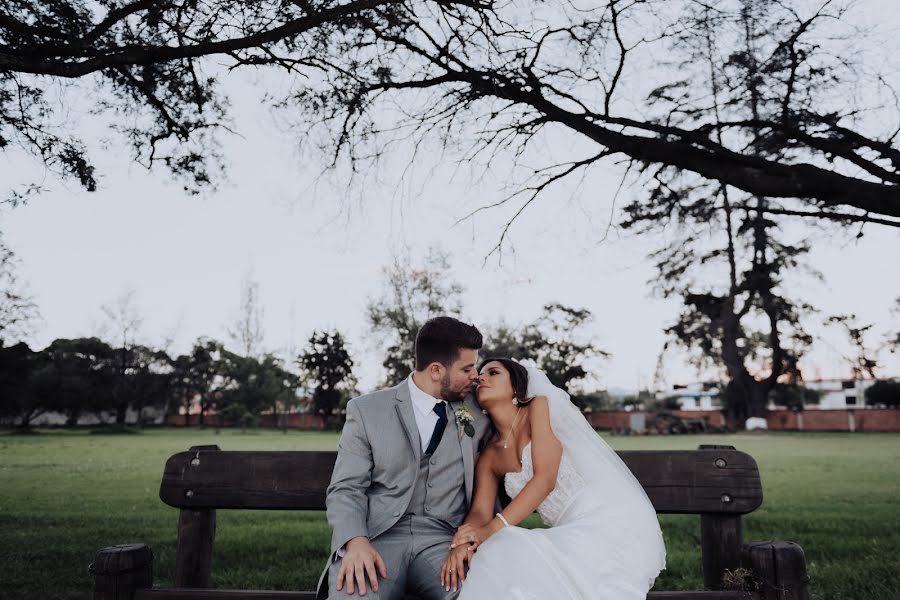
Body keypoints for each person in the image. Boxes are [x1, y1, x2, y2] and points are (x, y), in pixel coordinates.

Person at [440, 358, 666, 599]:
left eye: (493, 372)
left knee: (504, 543)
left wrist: (491, 529)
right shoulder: (490, 455)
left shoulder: (538, 407)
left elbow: (545, 480)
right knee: (499, 550)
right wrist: (464, 541)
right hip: (570, 530)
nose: (480, 378)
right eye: (480, 375)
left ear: (516, 387)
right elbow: (479, 513)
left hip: (609, 517)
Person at [317, 316, 493, 600]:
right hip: (378, 539)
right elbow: (345, 488)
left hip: (445, 543)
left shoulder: (477, 408)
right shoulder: (367, 411)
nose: (476, 375)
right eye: (467, 368)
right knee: (351, 595)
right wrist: (355, 541)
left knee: (483, 593)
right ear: (436, 370)